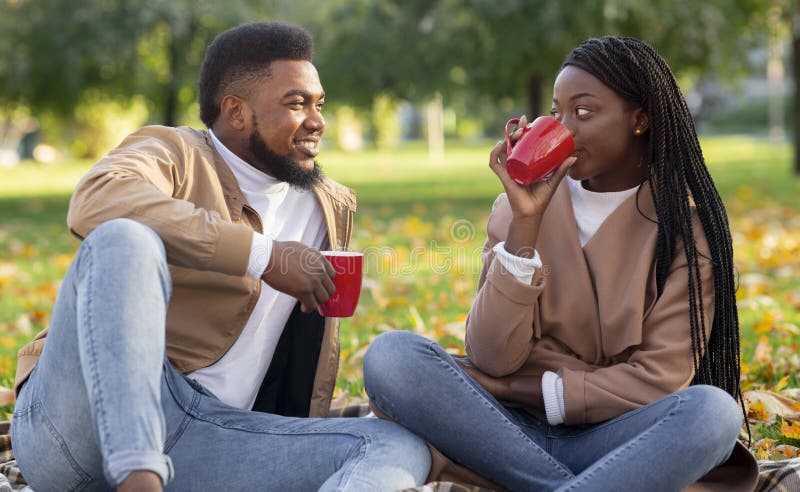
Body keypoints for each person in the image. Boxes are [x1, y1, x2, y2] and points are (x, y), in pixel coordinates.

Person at [9, 21, 430, 492]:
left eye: (319, 103)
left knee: (391, 445)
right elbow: (97, 201)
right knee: (123, 240)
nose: (317, 120)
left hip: (204, 435)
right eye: (297, 103)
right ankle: (137, 475)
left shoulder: (326, 204)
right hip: (75, 428)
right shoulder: (174, 152)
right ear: (236, 112)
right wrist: (263, 256)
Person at [363, 36, 759, 491]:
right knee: (391, 355)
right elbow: (491, 357)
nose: (564, 129)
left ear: (640, 119)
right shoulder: (518, 209)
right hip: (502, 428)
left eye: (584, 113)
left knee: (714, 412)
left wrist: (517, 389)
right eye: (557, 113)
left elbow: (659, 382)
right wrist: (525, 228)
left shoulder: (687, 228)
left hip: (618, 436)